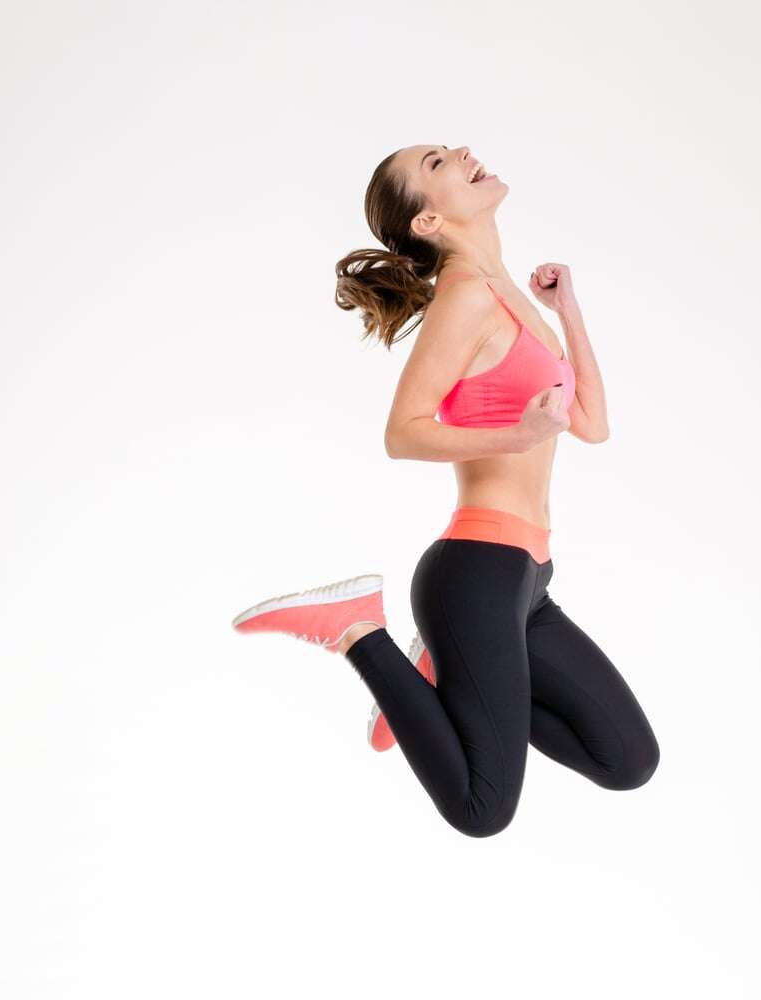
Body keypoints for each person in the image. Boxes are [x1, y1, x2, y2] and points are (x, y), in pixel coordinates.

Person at [231, 144, 660, 837]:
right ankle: (357, 629)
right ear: (429, 221)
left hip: (527, 579)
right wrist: (515, 438)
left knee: (627, 759)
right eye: (435, 163)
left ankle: (437, 672)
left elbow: (592, 425)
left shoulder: (508, 295)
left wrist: (568, 310)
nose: (460, 151)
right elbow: (403, 432)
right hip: (475, 574)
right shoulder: (463, 298)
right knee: (481, 808)